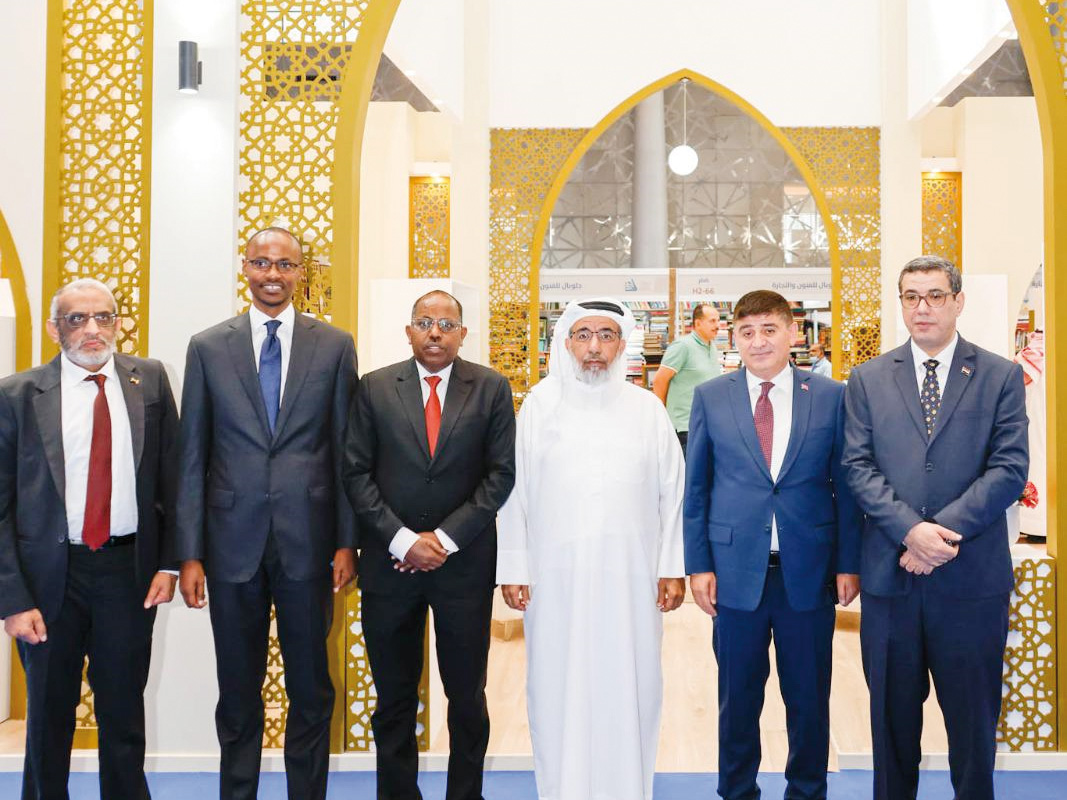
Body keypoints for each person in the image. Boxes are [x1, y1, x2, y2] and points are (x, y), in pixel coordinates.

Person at [175, 228, 358, 800]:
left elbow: (345, 449)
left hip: (310, 544)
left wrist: (347, 542)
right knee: (236, 690)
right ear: (245, 268)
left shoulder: (334, 345)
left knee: (311, 689)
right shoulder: (207, 347)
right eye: (261, 262)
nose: (272, 274)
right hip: (230, 547)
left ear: (303, 272)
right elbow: (192, 456)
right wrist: (189, 553)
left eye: (285, 264)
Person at [843, 256, 1028, 800]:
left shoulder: (1000, 375)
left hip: (970, 583)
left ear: (958, 301)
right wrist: (908, 530)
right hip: (890, 584)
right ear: (900, 303)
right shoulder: (867, 378)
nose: (922, 307)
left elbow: (1010, 468)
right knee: (891, 729)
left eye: (935, 296)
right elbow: (856, 465)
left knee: (973, 731)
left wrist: (937, 535)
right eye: (911, 296)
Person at [498, 297, 686, 800]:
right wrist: (514, 566)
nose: (594, 348)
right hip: (554, 578)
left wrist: (672, 567)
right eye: (584, 336)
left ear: (623, 345)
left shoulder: (646, 409)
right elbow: (513, 491)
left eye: (606, 336)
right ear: (566, 343)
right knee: (557, 687)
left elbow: (674, 492)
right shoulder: (540, 403)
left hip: (633, 577)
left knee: (632, 683)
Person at [0, 278, 179, 799]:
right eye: (77, 319)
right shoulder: (16, 395)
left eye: (104, 316)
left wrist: (169, 564)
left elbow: (173, 481)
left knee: (124, 715)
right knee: (48, 717)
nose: (93, 329)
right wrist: (11, 598)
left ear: (120, 322)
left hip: (127, 574)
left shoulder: (150, 381)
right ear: (55, 329)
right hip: (48, 581)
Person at [684, 289, 861, 800]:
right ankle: (736, 790)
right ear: (733, 337)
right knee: (737, 699)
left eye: (769, 329)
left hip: (808, 572)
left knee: (808, 697)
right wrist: (699, 565)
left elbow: (845, 486)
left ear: (793, 334)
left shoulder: (829, 395)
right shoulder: (712, 397)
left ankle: (807, 791)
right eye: (746, 331)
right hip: (735, 574)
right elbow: (698, 489)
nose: (758, 341)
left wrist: (848, 562)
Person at [344, 290, 515, 800]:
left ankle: (466, 794)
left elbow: (500, 475)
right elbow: (355, 472)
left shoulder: (490, 388)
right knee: (393, 697)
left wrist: (441, 539)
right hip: (389, 566)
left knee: (466, 696)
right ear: (408, 330)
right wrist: (401, 540)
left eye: (446, 323)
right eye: (424, 322)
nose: (435, 332)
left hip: (463, 567)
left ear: (463, 332)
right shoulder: (373, 388)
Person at [652, 302, 722, 455]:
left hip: (707, 426)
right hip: (685, 428)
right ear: (697, 323)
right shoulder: (682, 346)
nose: (718, 325)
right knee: (687, 476)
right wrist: (662, 414)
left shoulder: (712, 346)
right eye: (712, 321)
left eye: (718, 320)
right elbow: (659, 381)